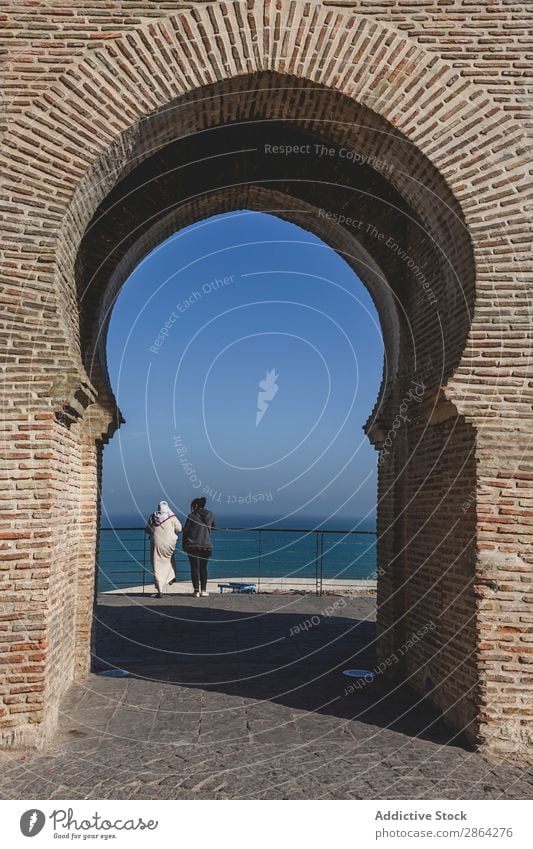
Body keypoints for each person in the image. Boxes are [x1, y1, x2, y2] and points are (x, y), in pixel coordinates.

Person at [145, 500, 182, 598]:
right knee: (169, 559)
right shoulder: (172, 517)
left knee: (157, 566)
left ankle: (160, 590)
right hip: (169, 544)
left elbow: (148, 529)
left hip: (156, 544)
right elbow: (179, 528)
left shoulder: (153, 516)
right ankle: (171, 577)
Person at [182, 497, 216, 597]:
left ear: (196, 505)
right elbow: (214, 526)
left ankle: (196, 591)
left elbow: (186, 531)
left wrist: (184, 544)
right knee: (203, 568)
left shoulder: (191, 515)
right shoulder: (211, 515)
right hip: (206, 545)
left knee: (194, 568)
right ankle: (203, 590)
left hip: (192, 545)